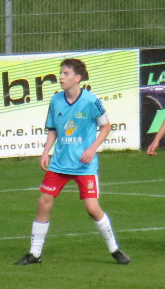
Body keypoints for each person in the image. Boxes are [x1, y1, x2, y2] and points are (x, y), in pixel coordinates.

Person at [15, 57, 129, 266]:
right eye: (61, 73)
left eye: (66, 73)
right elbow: (53, 130)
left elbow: (106, 126)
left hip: (84, 165)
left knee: (92, 208)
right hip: (59, 163)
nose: (61, 77)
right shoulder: (56, 100)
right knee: (43, 202)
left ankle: (114, 249)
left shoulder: (91, 101)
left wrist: (91, 149)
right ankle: (34, 254)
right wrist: (45, 152)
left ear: (77, 78)